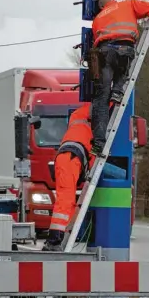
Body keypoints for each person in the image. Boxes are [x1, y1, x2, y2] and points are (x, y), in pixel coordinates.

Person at [90, 0, 149, 155]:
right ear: (113, 0)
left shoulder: (97, 19)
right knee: (124, 66)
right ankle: (118, 90)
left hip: (104, 52)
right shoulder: (128, 4)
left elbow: (97, 38)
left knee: (101, 100)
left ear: (101, 7)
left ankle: (99, 143)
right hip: (124, 48)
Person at [41, 102, 96, 251]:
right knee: (65, 199)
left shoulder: (78, 117)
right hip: (71, 158)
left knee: (68, 200)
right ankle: (54, 240)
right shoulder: (88, 116)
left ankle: (58, 238)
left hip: (69, 157)